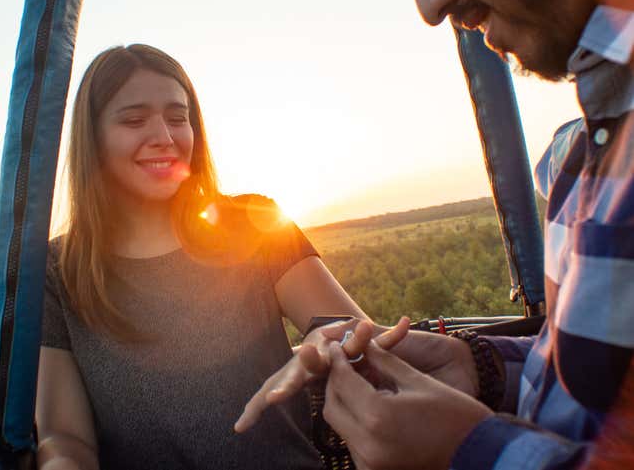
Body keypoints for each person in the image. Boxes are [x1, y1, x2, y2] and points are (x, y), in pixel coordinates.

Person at [237, 0, 633, 468]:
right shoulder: (587, 156)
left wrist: (465, 451)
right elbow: (595, 404)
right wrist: (481, 368)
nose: (429, 5)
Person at [35, 43, 402, 470]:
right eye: (134, 120)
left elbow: (363, 342)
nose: (166, 137)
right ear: (93, 138)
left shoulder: (253, 222)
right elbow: (63, 436)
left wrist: (337, 342)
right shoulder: (57, 272)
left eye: (178, 118)